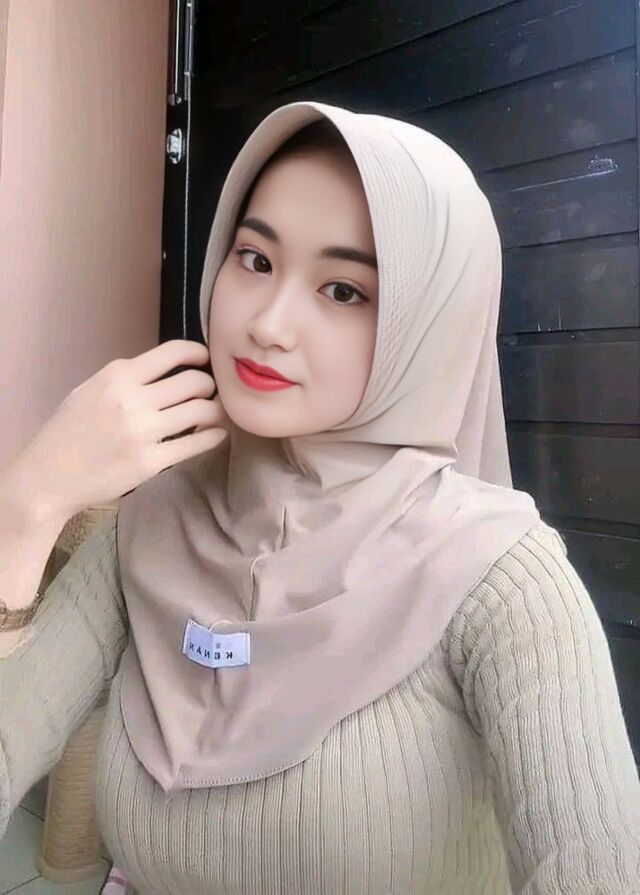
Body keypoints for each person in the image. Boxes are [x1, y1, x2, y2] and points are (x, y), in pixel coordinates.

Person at [1, 100, 638, 895]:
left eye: (342, 290)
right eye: (254, 259)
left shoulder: (501, 580)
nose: (268, 324)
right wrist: (28, 501)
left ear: (428, 323)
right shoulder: (153, 521)